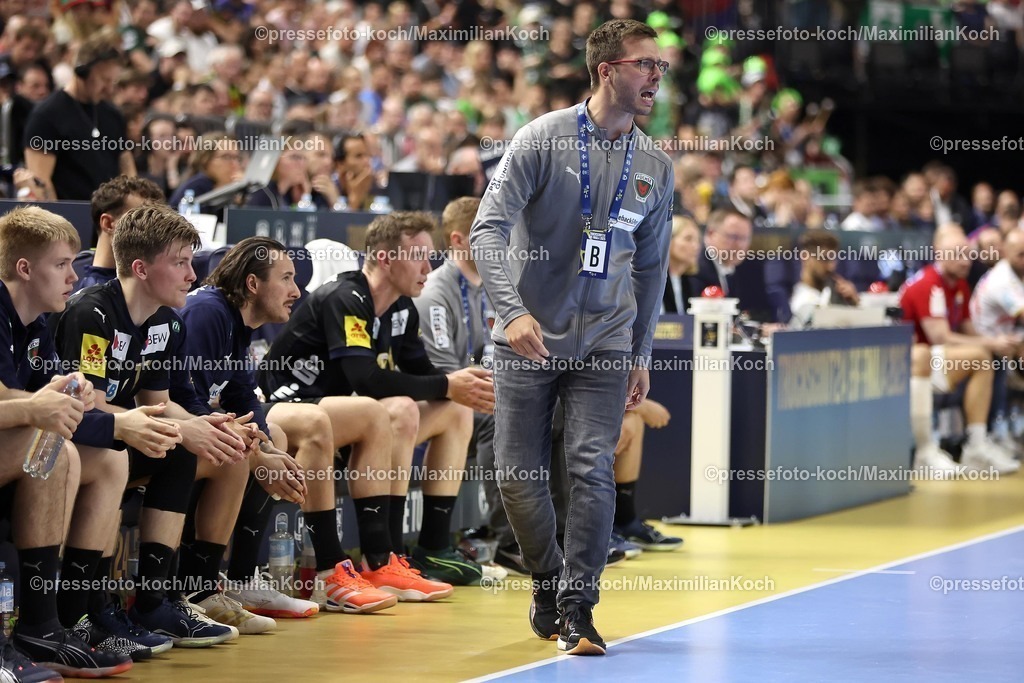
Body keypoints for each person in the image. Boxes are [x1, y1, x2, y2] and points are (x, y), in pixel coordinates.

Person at [470, 18, 674, 655]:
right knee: (516, 472)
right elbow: (487, 231)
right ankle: (546, 576)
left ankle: (579, 605)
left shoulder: (656, 164)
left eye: (660, 68)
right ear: (607, 70)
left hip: (607, 340)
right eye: (645, 65)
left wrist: (640, 351)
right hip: (526, 337)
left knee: (591, 468)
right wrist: (510, 312)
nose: (656, 78)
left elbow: (651, 266)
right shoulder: (541, 139)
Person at [261, 211, 495, 595]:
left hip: (342, 410)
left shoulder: (401, 307)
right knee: (390, 407)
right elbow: (364, 379)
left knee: (452, 410)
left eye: (431, 255)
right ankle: (378, 557)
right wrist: (447, 383)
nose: (428, 265)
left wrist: (468, 388)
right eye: (418, 254)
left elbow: (423, 374)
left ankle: (430, 547)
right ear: (385, 259)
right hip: (290, 405)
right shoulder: (347, 297)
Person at [51, 205, 247, 646]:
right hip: (75, 436)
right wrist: (180, 427)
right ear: (140, 268)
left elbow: (157, 403)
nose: (191, 276)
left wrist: (204, 425)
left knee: (183, 450)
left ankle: (157, 603)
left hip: (119, 433)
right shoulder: (93, 314)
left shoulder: (165, 323)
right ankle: (89, 612)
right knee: (131, 452)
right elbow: (91, 408)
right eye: (179, 263)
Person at [181, 238, 398, 616]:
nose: (296, 291)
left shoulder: (236, 322)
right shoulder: (208, 312)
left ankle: (244, 579)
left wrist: (266, 448)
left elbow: (244, 396)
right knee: (248, 446)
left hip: (200, 423)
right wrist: (255, 449)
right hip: (166, 429)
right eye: (286, 279)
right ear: (252, 284)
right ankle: (197, 588)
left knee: (275, 437)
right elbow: (183, 397)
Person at [0, 206, 139, 678]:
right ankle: (37, 625)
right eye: (61, 264)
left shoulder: (39, 322)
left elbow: (43, 400)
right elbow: (17, 403)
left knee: (106, 462)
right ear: (24, 268)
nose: (73, 275)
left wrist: (74, 397)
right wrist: (39, 406)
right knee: (51, 450)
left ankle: (75, 617)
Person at [899, 224, 1020, 474]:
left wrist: (998, 343)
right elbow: (940, 337)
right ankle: (955, 446)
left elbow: (969, 330)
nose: (965, 261)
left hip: (939, 359)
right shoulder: (928, 284)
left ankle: (979, 442)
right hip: (912, 362)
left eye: (968, 254)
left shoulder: (960, 285)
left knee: (990, 355)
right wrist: (989, 343)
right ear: (939, 253)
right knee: (981, 356)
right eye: (957, 254)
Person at [23, 28, 135, 200]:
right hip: (69, 218)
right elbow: (41, 182)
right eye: (104, 80)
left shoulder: (112, 114)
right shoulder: (47, 115)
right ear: (82, 71)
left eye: (113, 81)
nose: (110, 89)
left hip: (112, 219)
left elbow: (127, 171)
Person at [77, 175, 166, 292]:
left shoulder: (160, 281)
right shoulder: (68, 278)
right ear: (108, 223)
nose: (153, 229)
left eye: (156, 221)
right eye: (141, 217)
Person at [789, 230, 860, 328]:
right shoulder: (794, 296)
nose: (831, 267)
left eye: (833, 259)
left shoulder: (838, 292)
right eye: (824, 259)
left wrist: (855, 303)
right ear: (805, 256)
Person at [662, 215, 699, 314]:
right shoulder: (654, 279)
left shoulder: (689, 282)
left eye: (697, 240)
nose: (695, 246)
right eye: (688, 239)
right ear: (668, 240)